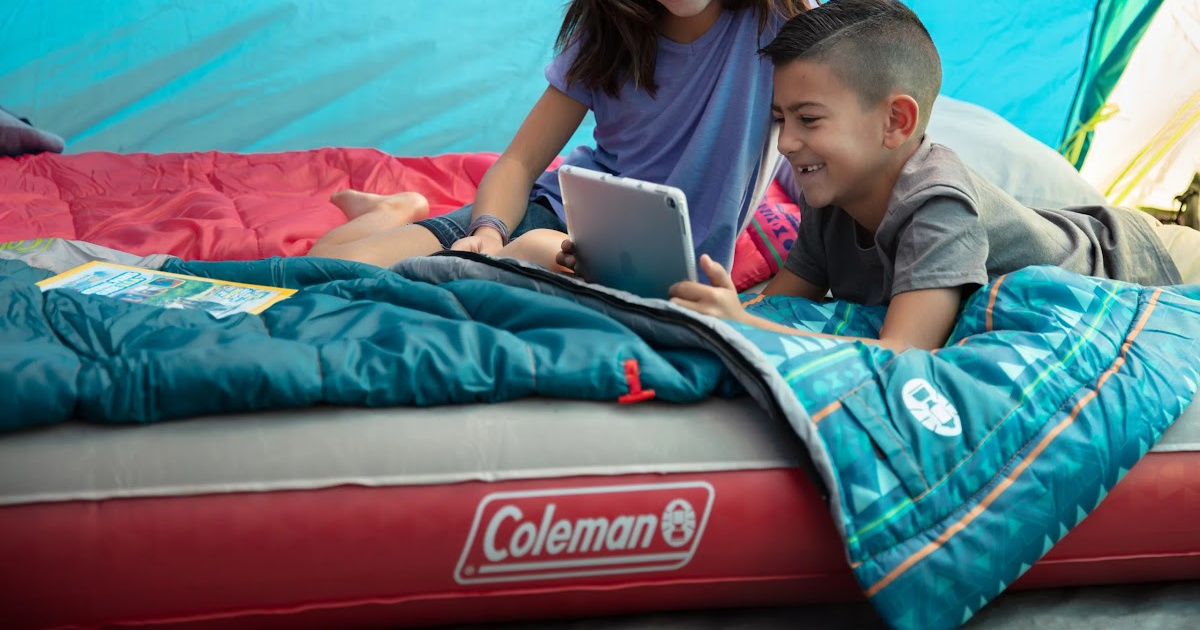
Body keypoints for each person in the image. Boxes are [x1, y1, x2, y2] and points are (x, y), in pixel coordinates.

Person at [668, 0, 1198, 351]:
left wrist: (746, 325)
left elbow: (901, 355)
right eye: (780, 119)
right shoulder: (827, 198)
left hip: (1140, 256)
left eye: (808, 119)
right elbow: (784, 303)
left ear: (896, 121)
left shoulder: (935, 204)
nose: (785, 143)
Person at [308, 0, 809, 273]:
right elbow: (520, 162)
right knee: (329, 269)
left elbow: (822, 138)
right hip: (560, 216)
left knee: (534, 261)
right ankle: (393, 211)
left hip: (665, 263)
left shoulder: (779, 22)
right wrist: (487, 233)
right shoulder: (610, 32)